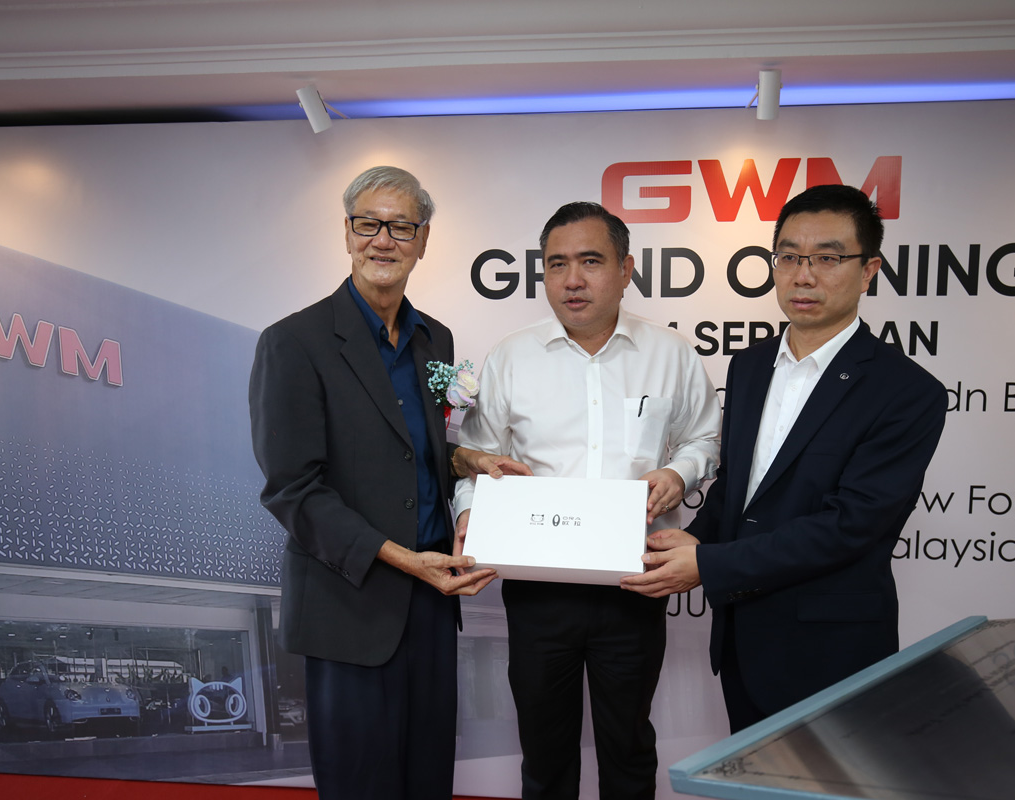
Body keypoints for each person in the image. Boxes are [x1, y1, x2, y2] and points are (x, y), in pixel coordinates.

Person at [621, 184, 947, 733]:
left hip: (832, 649)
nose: (804, 275)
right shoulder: (749, 366)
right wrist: (692, 540)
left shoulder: (907, 391)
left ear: (869, 270)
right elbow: (738, 487)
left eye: (828, 258)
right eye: (790, 257)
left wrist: (709, 565)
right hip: (743, 641)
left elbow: (852, 525)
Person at [249, 165, 529, 800]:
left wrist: (467, 460)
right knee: (361, 786)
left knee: (427, 780)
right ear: (346, 233)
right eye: (368, 224)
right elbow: (293, 490)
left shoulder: (435, 339)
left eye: (400, 226)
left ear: (423, 240)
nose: (383, 240)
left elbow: (408, 452)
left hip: (432, 603)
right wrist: (404, 560)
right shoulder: (294, 342)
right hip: (350, 603)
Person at [453, 201, 721, 800]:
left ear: (626, 270)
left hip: (634, 582)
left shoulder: (671, 354)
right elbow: (477, 456)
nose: (572, 280)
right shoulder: (511, 356)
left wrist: (679, 472)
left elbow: (705, 438)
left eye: (591, 262)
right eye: (557, 264)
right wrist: (470, 510)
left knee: (629, 747)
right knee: (544, 752)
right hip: (537, 588)